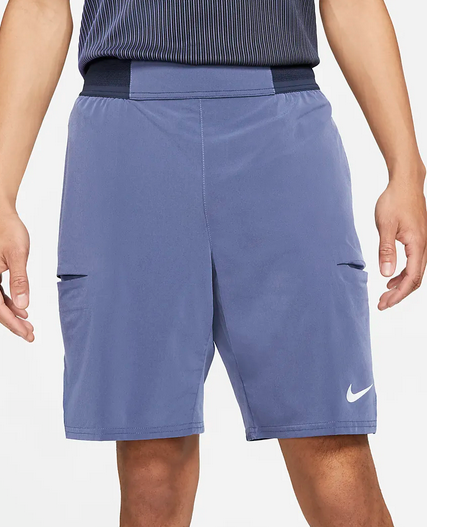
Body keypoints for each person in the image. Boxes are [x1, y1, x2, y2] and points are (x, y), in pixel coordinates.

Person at [0, 0, 426, 525]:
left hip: (280, 120)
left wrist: (406, 168)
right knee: (152, 466)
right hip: (127, 126)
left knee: (332, 443)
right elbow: (39, 8)